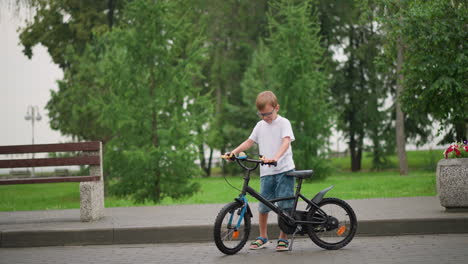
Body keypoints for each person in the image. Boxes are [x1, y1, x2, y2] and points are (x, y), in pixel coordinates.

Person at [224, 90, 295, 251]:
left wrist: (276, 157)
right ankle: (263, 237)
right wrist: (233, 152)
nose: (264, 117)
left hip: (284, 170)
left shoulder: (284, 123)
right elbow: (249, 141)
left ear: (277, 108)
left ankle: (283, 238)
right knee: (263, 207)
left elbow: (286, 143)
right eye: (261, 114)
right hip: (267, 172)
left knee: (284, 206)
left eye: (268, 113)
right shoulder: (260, 125)